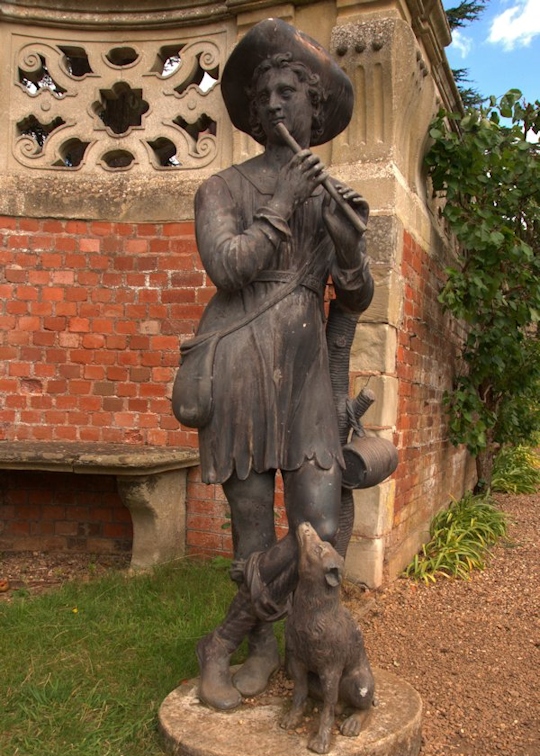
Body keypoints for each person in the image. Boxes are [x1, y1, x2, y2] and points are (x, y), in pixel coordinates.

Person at [173, 19, 374, 711]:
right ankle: (256, 644)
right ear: (255, 113)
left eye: (293, 92)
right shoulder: (221, 191)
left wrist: (350, 249)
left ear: (315, 109)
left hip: (307, 375)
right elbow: (228, 267)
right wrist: (284, 202)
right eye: (269, 95)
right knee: (256, 526)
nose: (280, 104)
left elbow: (353, 297)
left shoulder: (330, 191)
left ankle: (287, 639)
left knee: (316, 529)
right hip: (240, 365)